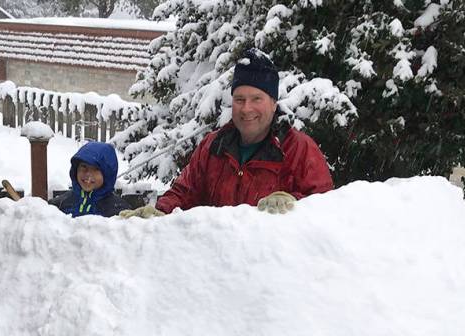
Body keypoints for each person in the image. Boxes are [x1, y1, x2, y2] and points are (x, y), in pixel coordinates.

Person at [120, 48, 333, 219]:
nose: (246, 108)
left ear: (273, 102)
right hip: (218, 265)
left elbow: (325, 211)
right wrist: (160, 211)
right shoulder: (214, 146)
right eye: (239, 99)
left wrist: (292, 202)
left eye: (256, 99)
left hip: (272, 268)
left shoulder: (298, 149)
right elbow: (184, 193)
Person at [50, 141, 129, 217]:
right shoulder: (59, 205)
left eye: (96, 169)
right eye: (84, 166)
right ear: (75, 169)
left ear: (107, 175)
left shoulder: (119, 211)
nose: (88, 174)